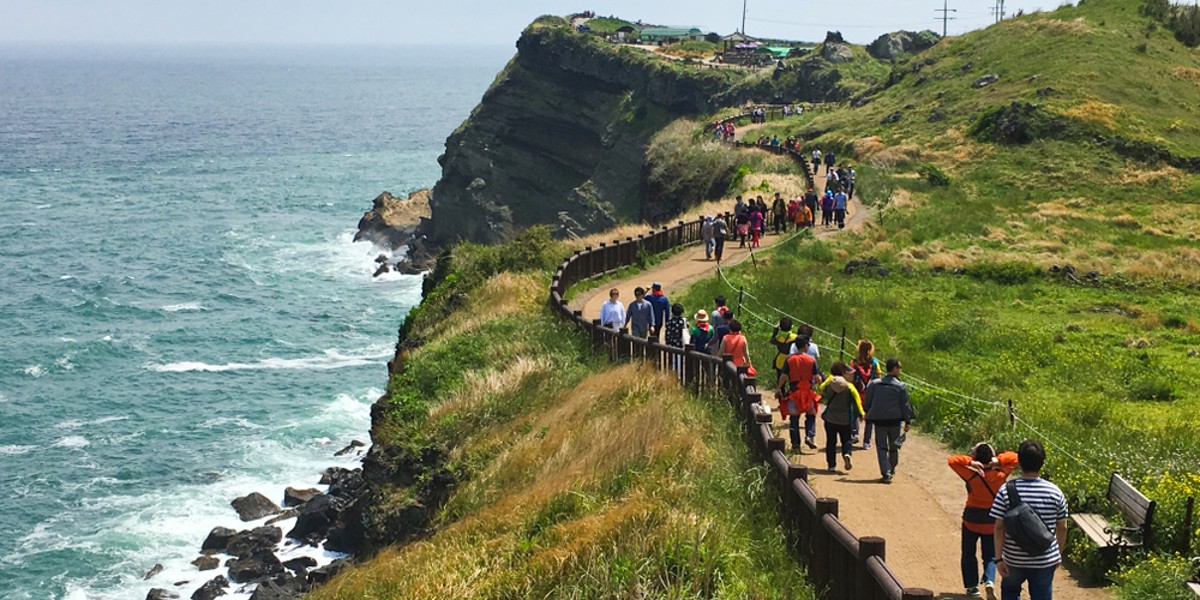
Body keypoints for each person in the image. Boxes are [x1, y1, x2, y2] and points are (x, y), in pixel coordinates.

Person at [989, 440, 1069, 600]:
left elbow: (999, 527)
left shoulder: (1006, 490)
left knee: (1011, 593)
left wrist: (998, 558)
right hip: (1045, 559)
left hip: (1013, 559)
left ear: (1019, 461)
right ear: (1042, 461)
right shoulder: (1055, 492)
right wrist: (1057, 554)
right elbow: (1062, 527)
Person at [950, 443, 1020, 599]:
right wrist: (998, 461)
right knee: (990, 555)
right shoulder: (1001, 474)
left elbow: (952, 461)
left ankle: (972, 588)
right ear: (991, 457)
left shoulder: (971, 475)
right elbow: (1015, 457)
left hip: (971, 520)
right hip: (992, 520)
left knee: (968, 554)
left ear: (976, 458)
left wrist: (969, 462)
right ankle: (989, 580)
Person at [864, 358, 915, 483]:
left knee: (881, 447)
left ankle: (886, 472)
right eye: (899, 368)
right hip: (895, 421)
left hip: (879, 421)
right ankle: (891, 470)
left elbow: (867, 401)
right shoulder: (901, 386)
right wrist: (908, 421)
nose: (900, 370)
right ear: (895, 368)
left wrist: (870, 412)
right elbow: (905, 405)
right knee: (894, 446)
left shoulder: (874, 384)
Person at [819, 362, 864, 471]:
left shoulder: (829, 384)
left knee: (831, 441)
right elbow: (857, 402)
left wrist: (829, 379)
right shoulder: (849, 387)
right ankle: (847, 453)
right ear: (843, 372)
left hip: (830, 418)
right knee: (846, 439)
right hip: (845, 419)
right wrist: (861, 414)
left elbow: (821, 389)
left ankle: (831, 465)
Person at [778, 334, 819, 449]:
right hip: (808, 393)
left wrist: (778, 388)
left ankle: (795, 444)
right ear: (805, 346)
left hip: (794, 392)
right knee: (811, 415)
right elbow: (816, 376)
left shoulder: (789, 359)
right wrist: (821, 386)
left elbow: (784, 376)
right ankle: (809, 436)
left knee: (794, 419)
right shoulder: (811, 360)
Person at [850, 340, 881, 448]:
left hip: (857, 392)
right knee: (870, 417)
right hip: (870, 393)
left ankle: (854, 433)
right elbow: (878, 377)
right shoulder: (875, 362)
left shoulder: (854, 362)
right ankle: (866, 441)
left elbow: (851, 377)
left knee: (854, 413)